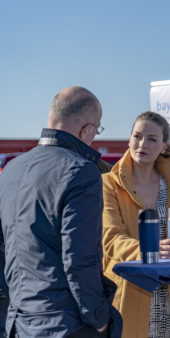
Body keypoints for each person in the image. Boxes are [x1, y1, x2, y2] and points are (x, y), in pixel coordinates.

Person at [0, 86, 122, 337]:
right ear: (86, 130)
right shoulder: (81, 172)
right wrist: (99, 318)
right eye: (97, 130)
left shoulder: (11, 170)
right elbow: (80, 258)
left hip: (17, 321)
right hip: (66, 323)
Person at [102, 111, 170, 338]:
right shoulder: (108, 184)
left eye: (152, 139)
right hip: (129, 293)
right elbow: (111, 240)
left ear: (163, 147)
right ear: (129, 139)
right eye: (137, 136)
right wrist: (150, 251)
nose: (142, 144)